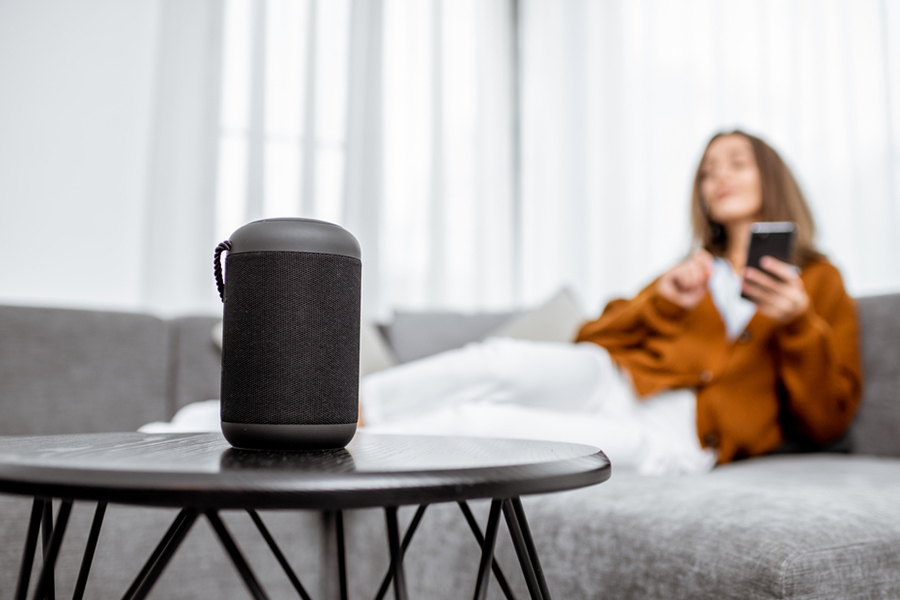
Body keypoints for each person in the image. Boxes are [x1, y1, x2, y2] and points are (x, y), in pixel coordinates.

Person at [360, 130, 862, 475]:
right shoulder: (693, 270)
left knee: (482, 425)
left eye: (736, 164)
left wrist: (798, 325)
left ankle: (339, 454)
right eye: (707, 172)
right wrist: (663, 303)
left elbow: (826, 421)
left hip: (676, 436)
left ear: (770, 178)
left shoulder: (819, 282)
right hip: (614, 378)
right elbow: (588, 338)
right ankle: (343, 409)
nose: (718, 179)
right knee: (499, 361)